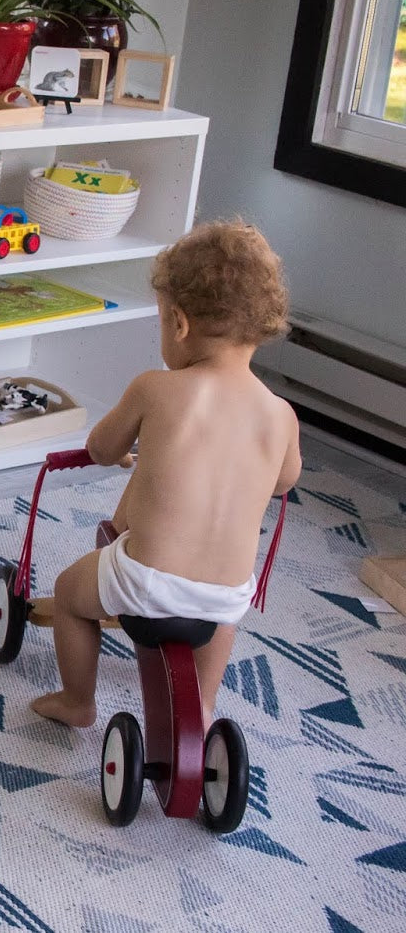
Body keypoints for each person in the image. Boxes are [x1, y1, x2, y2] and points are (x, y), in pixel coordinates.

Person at [30, 220, 302, 728]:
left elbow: (101, 449)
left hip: (147, 584)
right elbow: (284, 481)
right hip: (225, 594)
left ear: (178, 323)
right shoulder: (280, 414)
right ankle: (201, 711)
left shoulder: (155, 388)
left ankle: (77, 701)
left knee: (69, 594)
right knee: (222, 621)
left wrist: (125, 449)